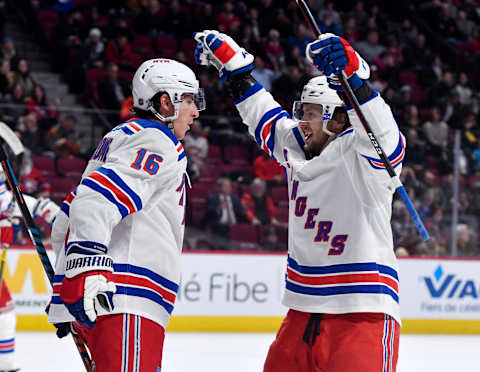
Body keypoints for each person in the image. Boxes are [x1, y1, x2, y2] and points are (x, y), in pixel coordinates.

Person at [194, 30, 403, 371]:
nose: (302, 121)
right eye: (301, 111)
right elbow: (262, 116)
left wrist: (354, 79)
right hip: (302, 310)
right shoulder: (297, 144)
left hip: (362, 311)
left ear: (338, 119)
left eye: (312, 113)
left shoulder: (361, 154)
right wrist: (236, 70)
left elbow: (385, 137)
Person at [46, 58, 204, 371]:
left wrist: (69, 286)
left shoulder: (118, 138)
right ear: (165, 102)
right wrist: (84, 270)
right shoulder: (156, 139)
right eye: (188, 100)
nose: (196, 111)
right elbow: (94, 202)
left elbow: (67, 217)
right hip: (127, 299)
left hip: (111, 297)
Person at [0, 179, 59, 372]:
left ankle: (5, 363)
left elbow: (38, 206)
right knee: (5, 315)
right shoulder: (7, 200)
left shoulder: (8, 201)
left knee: (5, 313)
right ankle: (5, 363)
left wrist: (58, 218)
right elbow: (38, 206)